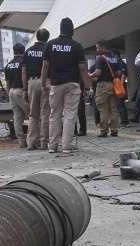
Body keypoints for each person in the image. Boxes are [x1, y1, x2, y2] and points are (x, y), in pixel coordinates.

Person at [41, 18, 92, 154]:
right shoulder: (76, 46)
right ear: (72, 30)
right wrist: (88, 87)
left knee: (54, 114)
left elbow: (45, 66)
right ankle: (67, 146)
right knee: (70, 115)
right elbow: (82, 68)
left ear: (60, 29)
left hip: (55, 84)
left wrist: (43, 84)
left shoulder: (50, 45)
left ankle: (52, 146)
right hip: (72, 84)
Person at [22, 28, 50, 150]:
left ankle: (31, 143)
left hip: (31, 83)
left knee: (33, 114)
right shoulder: (48, 49)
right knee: (45, 113)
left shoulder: (27, 52)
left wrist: (24, 89)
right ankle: (44, 143)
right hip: (45, 82)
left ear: (37, 37)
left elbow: (23, 72)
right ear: (47, 38)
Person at [89, 41, 122, 137]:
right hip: (113, 85)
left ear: (103, 47)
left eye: (97, 48)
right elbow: (119, 73)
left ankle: (103, 131)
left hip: (103, 85)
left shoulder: (100, 58)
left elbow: (98, 72)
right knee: (113, 108)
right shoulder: (114, 58)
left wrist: (90, 75)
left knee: (103, 108)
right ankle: (114, 130)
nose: (97, 50)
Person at [5, 43, 29, 148]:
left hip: (11, 92)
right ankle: (33, 139)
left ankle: (21, 142)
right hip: (21, 91)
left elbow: (8, 83)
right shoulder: (24, 62)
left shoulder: (8, 65)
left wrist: (8, 94)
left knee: (17, 118)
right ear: (23, 51)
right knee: (32, 115)